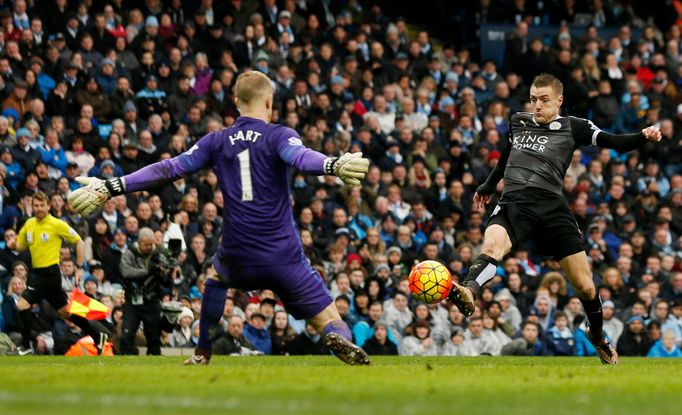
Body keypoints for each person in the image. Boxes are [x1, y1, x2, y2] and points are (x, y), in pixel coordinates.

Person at [68, 71, 370, 365]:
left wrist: (111, 186)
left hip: (237, 253)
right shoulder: (280, 135)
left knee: (215, 278)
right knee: (329, 317)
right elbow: (301, 158)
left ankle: (202, 353)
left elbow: (169, 168)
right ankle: (336, 336)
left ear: (236, 101)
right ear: (268, 101)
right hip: (283, 255)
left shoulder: (216, 140)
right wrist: (332, 165)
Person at [448, 73, 663, 365]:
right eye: (534, 99)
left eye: (544, 100)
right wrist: (488, 184)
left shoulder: (575, 126)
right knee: (491, 247)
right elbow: (507, 154)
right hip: (514, 202)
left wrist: (643, 135)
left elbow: (614, 142)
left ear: (559, 101)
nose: (537, 105)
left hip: (552, 208)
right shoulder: (518, 121)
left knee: (586, 286)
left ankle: (597, 335)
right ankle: (470, 291)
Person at [7, 191, 108, 355]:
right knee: (65, 313)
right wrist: (13, 245)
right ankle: (98, 336)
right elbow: (21, 245)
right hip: (37, 273)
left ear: (48, 206)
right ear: (32, 207)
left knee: (21, 305)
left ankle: (25, 346)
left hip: (50, 274)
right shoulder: (29, 224)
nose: (39, 208)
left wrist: (80, 267)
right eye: (36, 205)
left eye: (42, 205)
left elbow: (79, 241)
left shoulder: (57, 224)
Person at [119, 227, 172, 355]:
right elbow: (126, 272)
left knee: (154, 336)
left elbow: (166, 280)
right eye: (146, 244)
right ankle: (126, 358)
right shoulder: (129, 253)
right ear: (139, 242)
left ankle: (154, 360)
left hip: (152, 300)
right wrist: (148, 272)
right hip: (133, 300)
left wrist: (165, 273)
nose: (149, 247)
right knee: (127, 333)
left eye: (151, 244)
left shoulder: (159, 255)